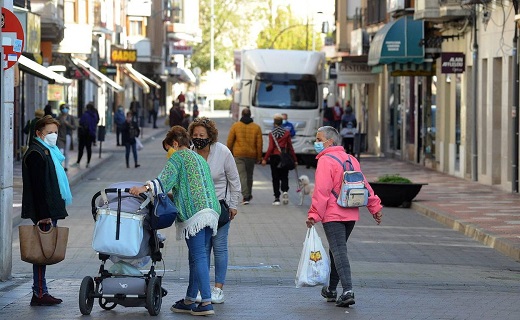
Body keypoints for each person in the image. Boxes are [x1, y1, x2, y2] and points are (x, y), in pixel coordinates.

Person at [129, 126, 221, 316]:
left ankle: (205, 302)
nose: (167, 154)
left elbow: (162, 181)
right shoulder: (197, 157)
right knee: (197, 257)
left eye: (168, 148)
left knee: (199, 257)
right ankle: (189, 299)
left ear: (175, 144)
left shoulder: (178, 157)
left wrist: (142, 188)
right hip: (211, 210)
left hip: (195, 213)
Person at [305, 126, 382, 308]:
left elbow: (322, 191)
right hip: (350, 213)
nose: (316, 143)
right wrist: (375, 207)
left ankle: (347, 290)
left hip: (333, 214)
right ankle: (331, 290)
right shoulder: (351, 159)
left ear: (329, 141)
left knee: (339, 250)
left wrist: (314, 214)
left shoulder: (325, 161)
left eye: (318, 139)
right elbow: (364, 184)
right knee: (336, 249)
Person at [188, 117, 241, 304]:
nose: (198, 138)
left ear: (210, 136)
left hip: (219, 208)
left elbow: (234, 180)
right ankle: (203, 289)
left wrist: (233, 204)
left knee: (219, 248)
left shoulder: (223, 152)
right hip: (197, 210)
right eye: (195, 135)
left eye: (202, 135)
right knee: (201, 251)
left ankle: (218, 289)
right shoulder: (190, 153)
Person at [21, 115, 72, 306]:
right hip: (44, 212)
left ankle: (41, 291)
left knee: (44, 251)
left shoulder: (49, 151)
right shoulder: (36, 153)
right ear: (38, 133)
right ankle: (39, 292)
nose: (53, 136)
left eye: (55, 132)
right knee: (41, 252)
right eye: (49, 132)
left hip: (48, 209)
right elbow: (38, 187)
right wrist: (43, 215)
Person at [227, 108, 263, 205]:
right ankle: (248, 194)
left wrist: (228, 153)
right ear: (250, 115)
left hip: (239, 154)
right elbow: (259, 144)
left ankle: (246, 196)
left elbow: (230, 141)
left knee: (242, 175)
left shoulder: (236, 126)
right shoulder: (256, 127)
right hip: (251, 155)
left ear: (241, 115)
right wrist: (259, 157)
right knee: (249, 175)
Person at [261, 114, 297, 205]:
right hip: (284, 156)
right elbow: (290, 147)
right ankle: (285, 191)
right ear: (282, 123)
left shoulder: (272, 134)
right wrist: (295, 159)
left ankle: (277, 198)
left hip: (274, 157)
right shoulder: (286, 133)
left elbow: (270, 148)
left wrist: (265, 158)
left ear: (274, 123)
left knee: (275, 177)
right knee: (284, 175)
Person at [72, 102, 99, 168]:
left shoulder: (85, 115)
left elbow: (81, 122)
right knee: (89, 148)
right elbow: (96, 121)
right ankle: (88, 163)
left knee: (81, 148)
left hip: (84, 134)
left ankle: (78, 162)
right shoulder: (95, 115)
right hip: (91, 133)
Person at [57, 103, 77, 172]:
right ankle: (60, 165)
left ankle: (66, 166)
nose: (64, 109)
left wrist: (68, 124)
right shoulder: (59, 117)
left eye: (66, 108)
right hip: (60, 136)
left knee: (66, 152)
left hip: (68, 135)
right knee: (61, 151)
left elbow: (74, 127)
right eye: (63, 108)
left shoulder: (70, 117)